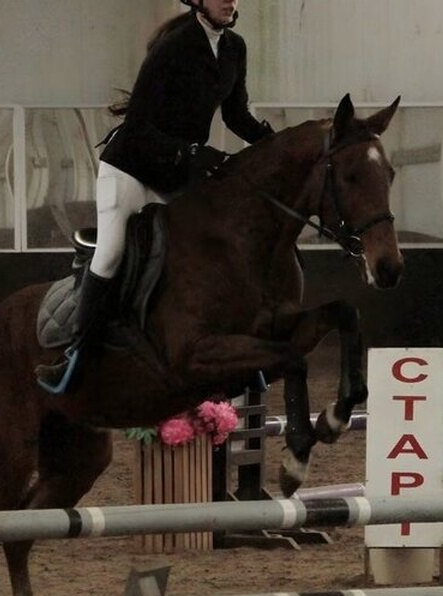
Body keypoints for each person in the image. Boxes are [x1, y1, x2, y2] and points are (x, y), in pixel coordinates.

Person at [36, 0, 275, 393]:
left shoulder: (235, 47)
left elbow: (236, 115)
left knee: (210, 248)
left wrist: (277, 143)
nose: (230, 0)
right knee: (111, 252)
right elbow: (139, 126)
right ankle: (75, 356)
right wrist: (191, 152)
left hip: (173, 174)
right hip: (130, 167)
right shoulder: (173, 47)